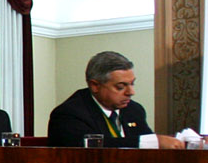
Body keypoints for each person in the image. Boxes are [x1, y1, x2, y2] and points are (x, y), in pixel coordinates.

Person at [47, 50, 182, 148]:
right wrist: (152, 142)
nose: (131, 92)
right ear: (95, 85)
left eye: (132, 84)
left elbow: (150, 144)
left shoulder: (134, 110)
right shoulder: (69, 114)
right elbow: (92, 148)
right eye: (121, 87)